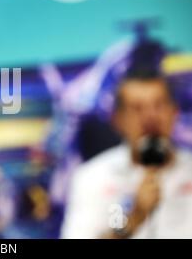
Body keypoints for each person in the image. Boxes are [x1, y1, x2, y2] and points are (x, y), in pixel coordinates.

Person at [61, 69, 192, 238]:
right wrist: (133, 218)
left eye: (159, 105)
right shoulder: (92, 176)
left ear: (175, 113)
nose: (150, 117)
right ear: (117, 120)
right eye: (137, 108)